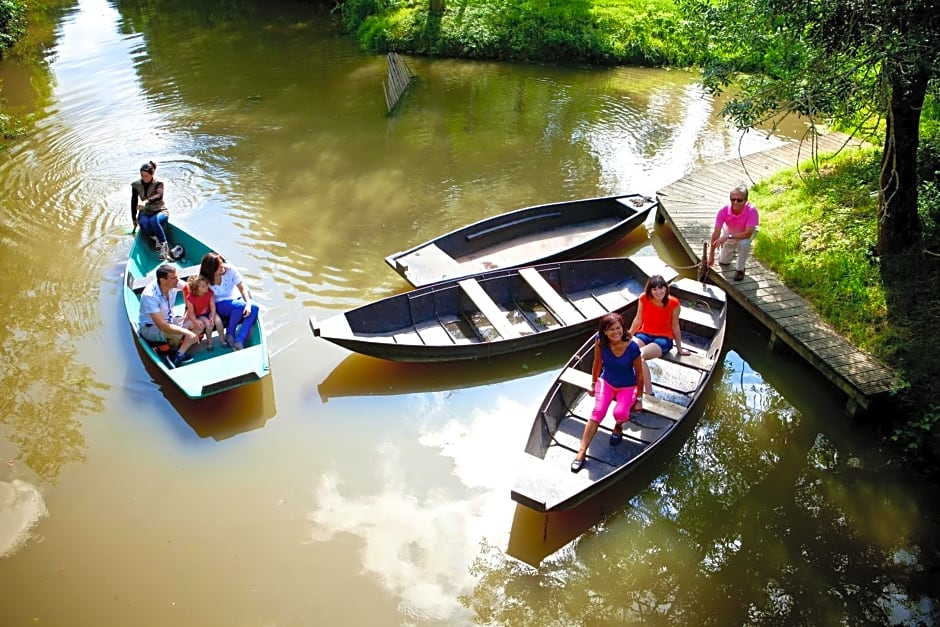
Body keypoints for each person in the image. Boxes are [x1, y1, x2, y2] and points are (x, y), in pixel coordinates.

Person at [571, 312, 644, 473]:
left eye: (618, 328)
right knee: (598, 412)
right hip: (607, 382)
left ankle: (618, 427)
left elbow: (639, 375)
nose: (616, 332)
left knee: (620, 413)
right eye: (611, 329)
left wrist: (639, 398)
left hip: (627, 386)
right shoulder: (600, 341)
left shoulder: (632, 346)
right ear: (604, 331)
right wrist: (593, 383)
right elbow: (597, 363)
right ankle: (581, 452)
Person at [628, 274, 691, 401]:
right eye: (655, 289)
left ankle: (649, 393)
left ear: (666, 288)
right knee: (627, 350)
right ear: (650, 290)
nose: (658, 292)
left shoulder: (674, 303)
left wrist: (679, 349)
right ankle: (625, 383)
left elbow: (675, 326)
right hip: (644, 334)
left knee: (639, 356)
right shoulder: (643, 298)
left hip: (663, 338)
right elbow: (638, 320)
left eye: (661, 288)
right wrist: (628, 336)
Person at [138, 264, 199, 368]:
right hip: (150, 327)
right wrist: (186, 331)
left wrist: (187, 309)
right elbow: (161, 325)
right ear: (163, 280)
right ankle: (171, 353)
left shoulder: (174, 283)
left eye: (177, 277)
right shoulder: (150, 295)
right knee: (175, 334)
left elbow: (187, 287)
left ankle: (179, 353)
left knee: (199, 323)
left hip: (169, 321)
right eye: (174, 278)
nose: (177, 280)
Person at [199, 251, 259, 351]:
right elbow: (199, 296)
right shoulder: (205, 279)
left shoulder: (230, 270)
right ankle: (230, 333)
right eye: (219, 266)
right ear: (211, 270)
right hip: (218, 303)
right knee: (239, 306)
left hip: (235, 298)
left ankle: (239, 340)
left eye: (222, 263)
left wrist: (248, 303)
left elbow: (241, 287)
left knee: (254, 307)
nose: (223, 266)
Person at [707, 184, 760, 281]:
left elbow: (747, 234)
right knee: (723, 262)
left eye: (739, 200)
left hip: (745, 233)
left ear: (746, 200)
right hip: (730, 231)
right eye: (733, 199)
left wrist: (727, 236)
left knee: (744, 243)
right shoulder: (723, 210)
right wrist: (711, 256)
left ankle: (740, 269)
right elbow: (716, 232)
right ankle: (731, 250)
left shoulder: (752, 211)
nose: (735, 202)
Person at [131, 161, 171, 260]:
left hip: (160, 210)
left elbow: (159, 195)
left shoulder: (159, 183)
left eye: (146, 176)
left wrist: (146, 201)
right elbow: (134, 201)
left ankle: (164, 246)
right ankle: (156, 237)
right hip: (146, 211)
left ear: (152, 174)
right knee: (143, 223)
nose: (144, 178)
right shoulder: (136, 185)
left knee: (154, 221)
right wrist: (133, 218)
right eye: (142, 176)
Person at [184, 275, 224, 350]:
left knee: (218, 321)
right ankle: (209, 341)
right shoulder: (190, 298)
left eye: (206, 285)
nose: (206, 287)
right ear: (196, 289)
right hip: (199, 315)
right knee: (209, 324)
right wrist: (195, 321)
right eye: (203, 286)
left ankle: (222, 339)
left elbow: (212, 305)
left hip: (208, 312)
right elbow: (191, 313)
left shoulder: (209, 292)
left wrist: (212, 315)